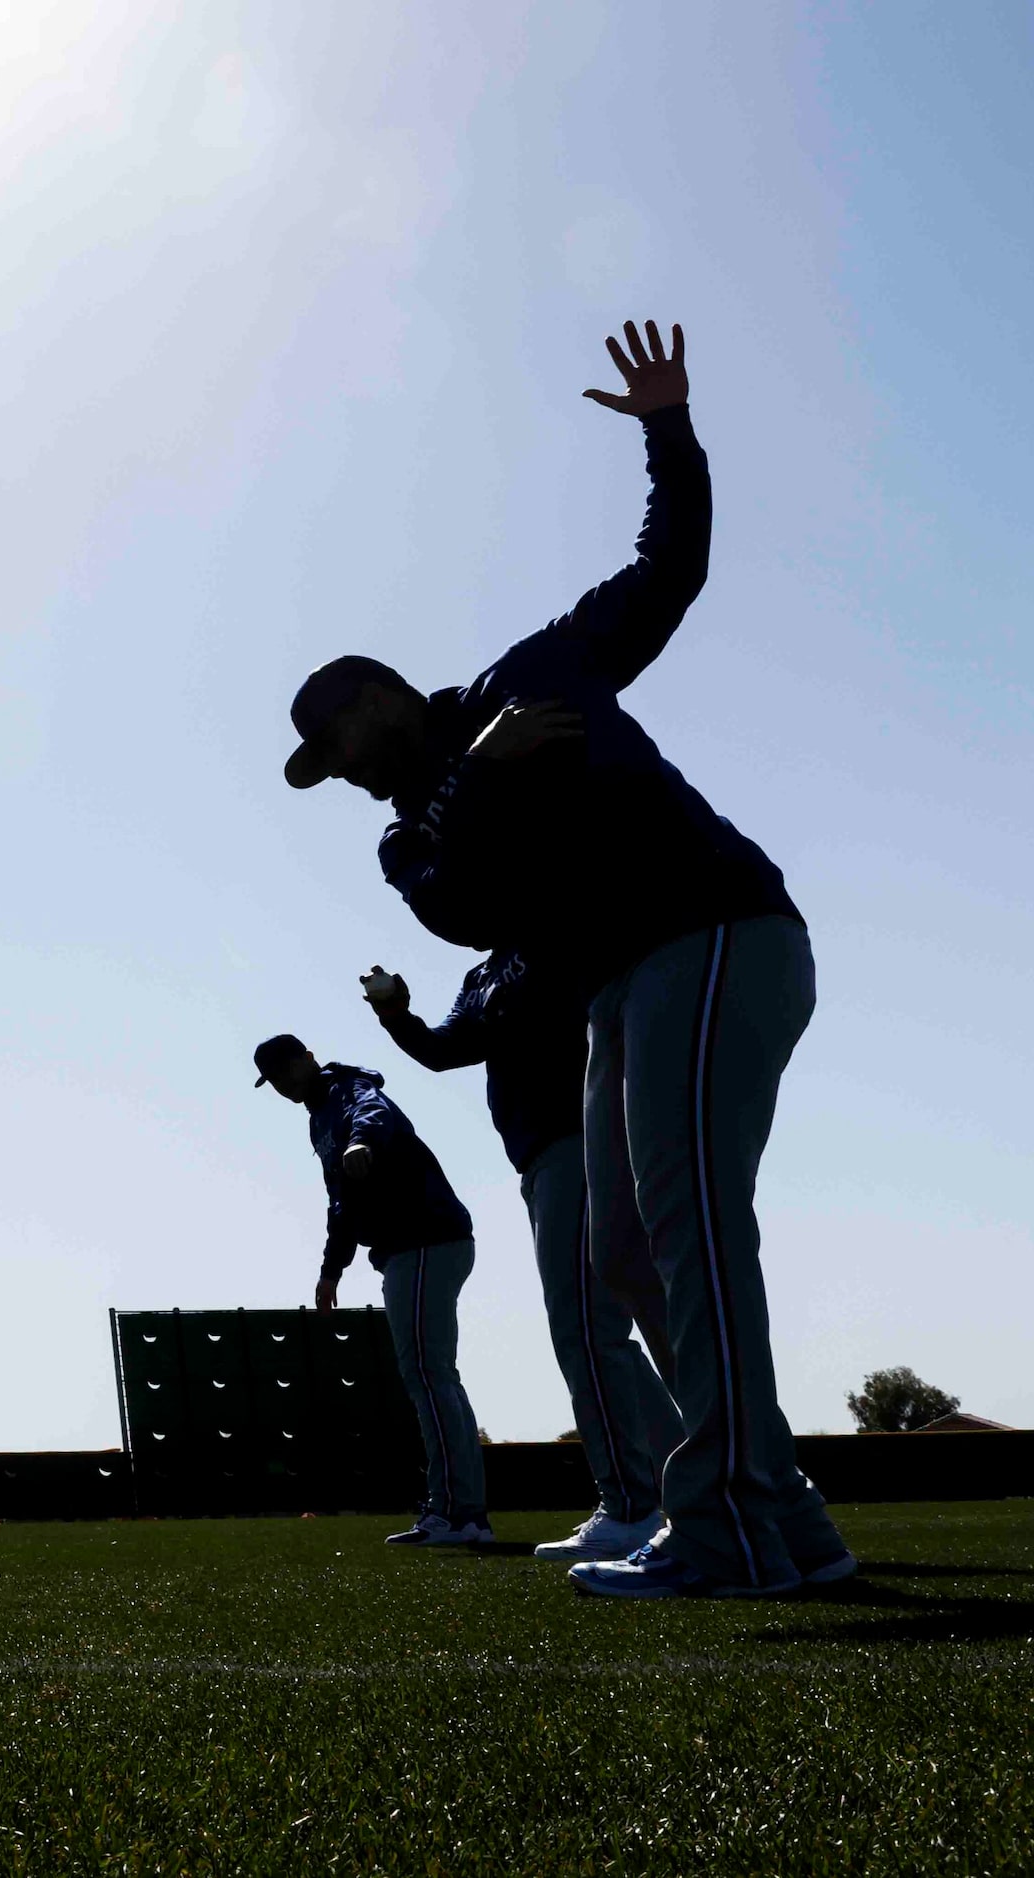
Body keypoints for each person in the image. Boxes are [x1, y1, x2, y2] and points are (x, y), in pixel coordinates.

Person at [280, 321, 851, 1598]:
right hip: (617, 991)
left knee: (689, 1228)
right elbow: (460, 918)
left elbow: (667, 570)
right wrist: (478, 782)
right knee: (628, 1257)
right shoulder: (405, 837)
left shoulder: (531, 670)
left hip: (712, 934)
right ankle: (785, 1519)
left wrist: (665, 427)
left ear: (375, 696)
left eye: (337, 743)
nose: (343, 774)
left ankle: (733, 1524)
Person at [361, 961, 681, 1563]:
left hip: (581, 1138)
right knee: (617, 1331)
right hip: (544, 1155)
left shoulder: (552, 937)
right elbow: (444, 1049)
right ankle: (705, 1483)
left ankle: (635, 1507)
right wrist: (396, 1014)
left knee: (590, 1328)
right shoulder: (484, 973)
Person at [253, 1035, 489, 1546]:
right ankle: (463, 1511)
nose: (280, 1084)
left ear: (307, 1058)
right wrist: (332, 1268)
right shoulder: (319, 1116)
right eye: (271, 1080)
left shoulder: (346, 1089)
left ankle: (457, 1514)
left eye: (283, 1071)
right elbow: (343, 1202)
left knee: (428, 1374)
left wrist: (362, 1141)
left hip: (424, 1241)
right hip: (414, 1247)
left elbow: (375, 1112)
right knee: (435, 1375)